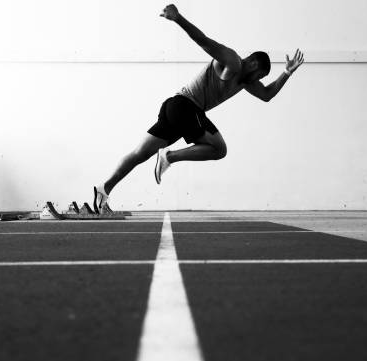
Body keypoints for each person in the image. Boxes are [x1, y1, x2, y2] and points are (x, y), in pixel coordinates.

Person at [94, 4, 304, 213]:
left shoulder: (245, 81)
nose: (259, 81)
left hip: (175, 107)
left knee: (140, 153)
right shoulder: (233, 62)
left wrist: (287, 73)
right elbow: (203, 41)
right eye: (260, 76)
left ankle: (103, 190)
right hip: (186, 106)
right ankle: (169, 157)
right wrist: (178, 18)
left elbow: (266, 95)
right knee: (219, 148)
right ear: (254, 65)